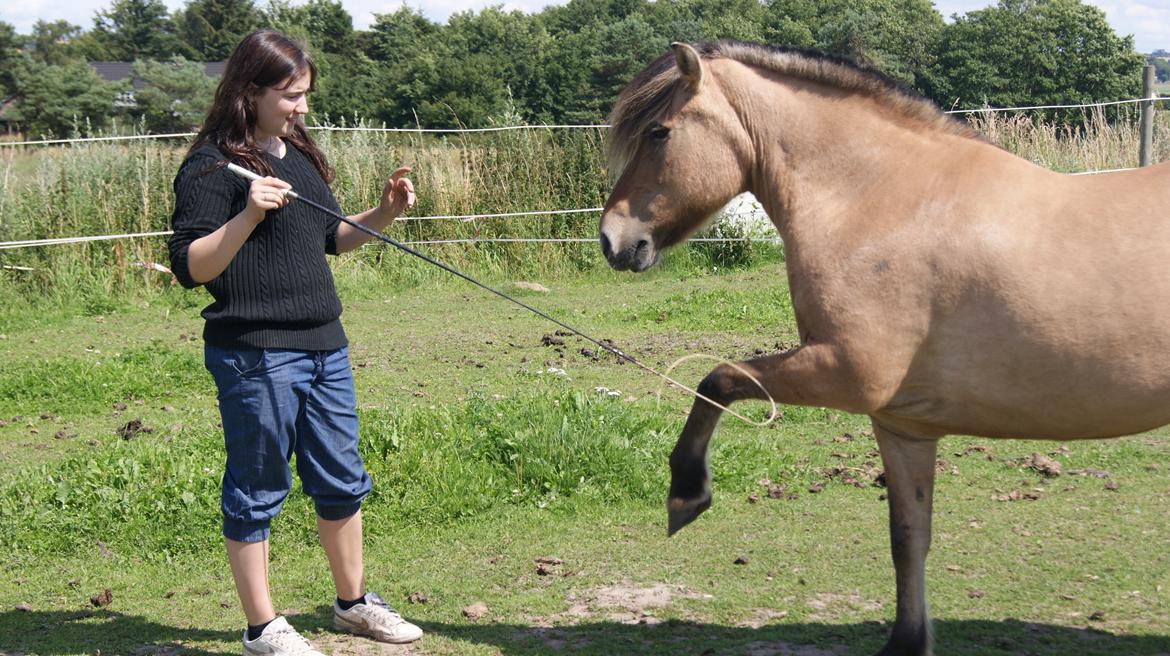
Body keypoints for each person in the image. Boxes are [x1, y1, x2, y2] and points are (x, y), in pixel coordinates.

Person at [167, 29, 421, 656]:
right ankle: (262, 628)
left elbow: (332, 238)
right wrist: (248, 212)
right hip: (255, 352)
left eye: (305, 94)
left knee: (342, 478)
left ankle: (353, 605)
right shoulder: (209, 166)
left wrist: (384, 213)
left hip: (324, 346)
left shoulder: (299, 154)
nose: (301, 107)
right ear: (249, 92)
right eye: (290, 95)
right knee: (257, 487)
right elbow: (193, 266)